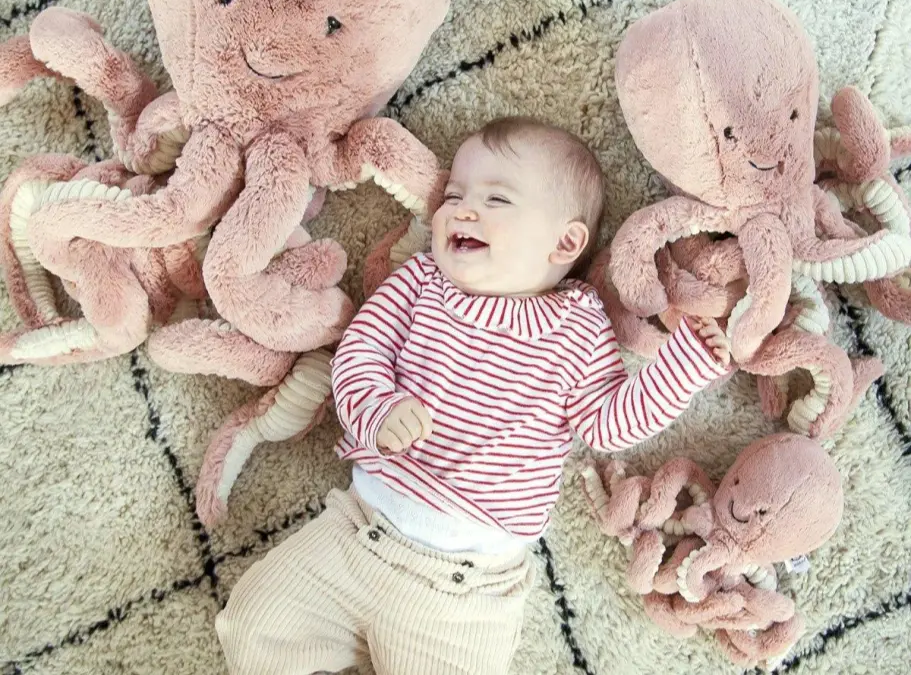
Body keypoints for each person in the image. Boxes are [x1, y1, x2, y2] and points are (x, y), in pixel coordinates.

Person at [215, 116, 731, 675]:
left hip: (465, 592)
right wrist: (378, 410)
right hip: (356, 536)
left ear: (564, 241)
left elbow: (607, 425)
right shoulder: (420, 282)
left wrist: (682, 368)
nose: (460, 209)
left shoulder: (578, 323)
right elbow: (358, 355)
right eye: (455, 195)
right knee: (249, 626)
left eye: (496, 200)